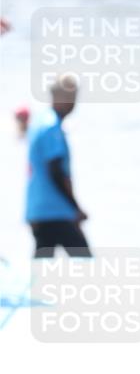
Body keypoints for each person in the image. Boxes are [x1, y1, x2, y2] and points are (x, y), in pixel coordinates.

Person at [26, 76, 92, 258]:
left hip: (39, 209)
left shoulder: (40, 122)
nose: (74, 103)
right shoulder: (51, 127)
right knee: (86, 265)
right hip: (55, 210)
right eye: (71, 97)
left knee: (42, 268)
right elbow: (55, 172)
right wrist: (75, 208)